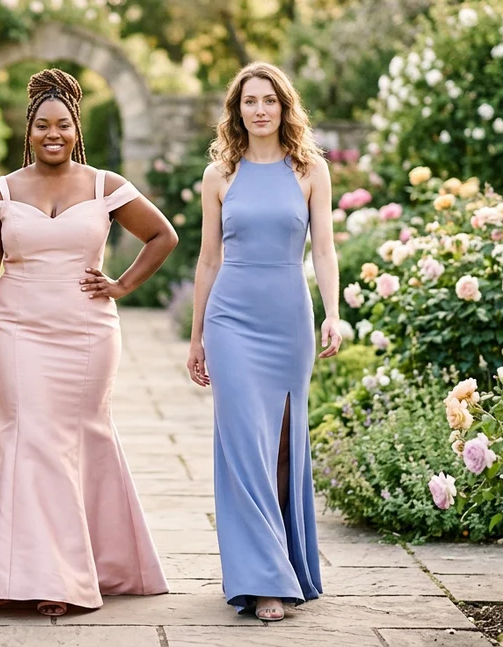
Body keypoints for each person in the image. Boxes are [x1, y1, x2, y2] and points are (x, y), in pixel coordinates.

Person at [0, 68, 177, 616]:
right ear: (29, 130)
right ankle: (43, 576)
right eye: (43, 125)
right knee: (29, 436)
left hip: (87, 333)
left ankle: (87, 566)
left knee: (79, 435)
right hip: (15, 331)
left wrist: (121, 284)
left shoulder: (105, 185)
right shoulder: (0, 192)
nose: (54, 134)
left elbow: (162, 235)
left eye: (64, 125)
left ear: (77, 130)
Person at [186, 62, 341, 621]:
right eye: (249, 101)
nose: (259, 110)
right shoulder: (219, 175)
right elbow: (208, 259)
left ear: (283, 107)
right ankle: (262, 580)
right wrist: (198, 334)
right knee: (241, 445)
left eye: (269, 100)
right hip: (231, 319)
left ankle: (282, 563)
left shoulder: (310, 170)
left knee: (280, 445)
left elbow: (322, 249)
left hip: (288, 319)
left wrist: (334, 313)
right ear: (237, 110)